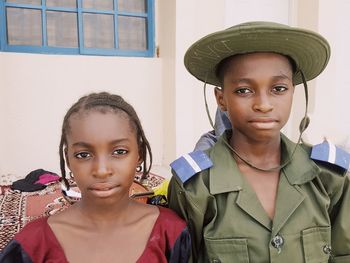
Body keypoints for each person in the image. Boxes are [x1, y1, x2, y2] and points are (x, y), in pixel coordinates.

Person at [168, 21, 350, 262]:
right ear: (221, 99)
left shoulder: (328, 176)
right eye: (244, 90)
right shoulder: (195, 187)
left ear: (293, 92)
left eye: (278, 88)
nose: (263, 104)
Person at [0, 92, 191, 263]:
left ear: (139, 155)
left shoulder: (171, 233)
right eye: (84, 155)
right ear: (68, 160)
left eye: (119, 151)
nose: (101, 170)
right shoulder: (33, 244)